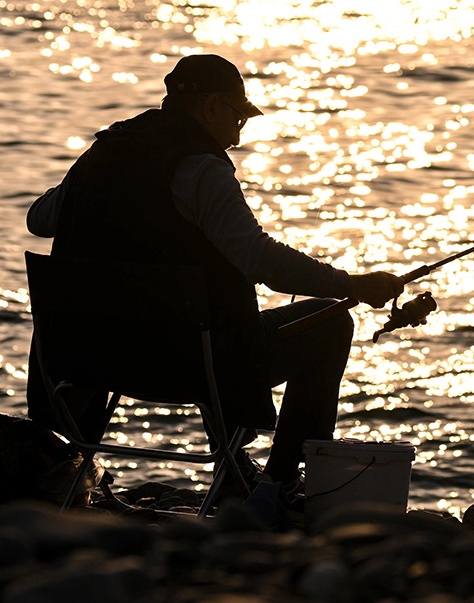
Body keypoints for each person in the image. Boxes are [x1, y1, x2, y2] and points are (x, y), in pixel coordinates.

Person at [25, 53, 403, 496]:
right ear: (210, 107)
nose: (238, 135)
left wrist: (90, 180)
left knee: (201, 311)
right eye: (238, 118)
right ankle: (278, 484)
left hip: (89, 360)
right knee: (329, 323)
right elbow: (261, 260)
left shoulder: (104, 151)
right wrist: (352, 284)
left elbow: (39, 219)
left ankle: (233, 469)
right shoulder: (200, 168)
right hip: (186, 365)